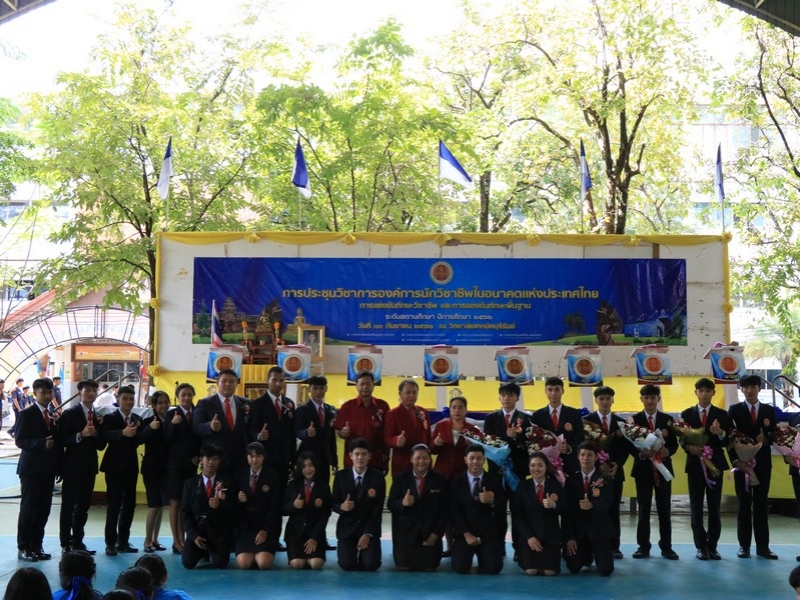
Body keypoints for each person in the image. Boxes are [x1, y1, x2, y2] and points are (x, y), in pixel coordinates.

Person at [679, 377, 731, 561]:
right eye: (700, 391)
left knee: (714, 507)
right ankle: (701, 546)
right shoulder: (686, 414)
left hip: (715, 465)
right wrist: (689, 447)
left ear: (713, 393)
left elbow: (729, 440)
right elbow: (682, 439)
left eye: (707, 391)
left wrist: (721, 433)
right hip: (695, 465)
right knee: (696, 506)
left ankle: (713, 546)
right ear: (695, 393)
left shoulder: (722, 415)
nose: (704, 394)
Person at [728, 373, 778, 559]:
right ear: (741, 389)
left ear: (759, 389)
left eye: (753, 387)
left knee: (761, 505)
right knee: (743, 506)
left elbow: (774, 435)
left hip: (763, 465)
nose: (750, 391)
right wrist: (736, 461)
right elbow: (729, 439)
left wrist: (766, 439)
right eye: (746, 387)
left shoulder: (768, 410)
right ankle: (744, 546)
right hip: (742, 465)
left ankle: (763, 547)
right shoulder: (734, 410)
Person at [629, 383, 679, 560]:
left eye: (653, 397)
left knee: (664, 508)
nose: (650, 401)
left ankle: (667, 547)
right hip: (643, 470)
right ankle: (643, 547)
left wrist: (668, 451)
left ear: (659, 399)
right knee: (643, 509)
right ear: (641, 399)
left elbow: (674, 444)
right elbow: (630, 446)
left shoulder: (668, 419)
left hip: (663, 469)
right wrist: (640, 454)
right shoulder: (633, 421)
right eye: (646, 397)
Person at [58, 378, 106, 554]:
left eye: (94, 390)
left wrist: (96, 433)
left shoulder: (98, 416)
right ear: (80, 393)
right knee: (68, 506)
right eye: (88, 390)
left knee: (83, 507)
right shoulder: (70, 414)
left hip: (89, 467)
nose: (91, 393)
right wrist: (81, 434)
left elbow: (101, 445)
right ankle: (65, 543)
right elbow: (61, 439)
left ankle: (78, 541)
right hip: (72, 467)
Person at [100, 385, 147, 556]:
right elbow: (104, 436)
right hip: (114, 467)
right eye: (125, 398)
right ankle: (110, 543)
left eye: (131, 399)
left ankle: (123, 541)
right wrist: (122, 432)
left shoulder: (137, 418)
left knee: (129, 505)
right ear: (118, 400)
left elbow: (138, 440)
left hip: (130, 466)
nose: (128, 402)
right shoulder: (110, 417)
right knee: (114, 505)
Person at [15, 376, 58, 562]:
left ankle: (36, 546)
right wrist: (41, 443)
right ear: (35, 393)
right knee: (29, 509)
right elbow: (20, 440)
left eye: (50, 392)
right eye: (43, 392)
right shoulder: (26, 414)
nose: (47, 395)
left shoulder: (52, 415)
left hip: (48, 469)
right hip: (31, 470)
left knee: (43, 510)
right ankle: (24, 548)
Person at [583, 385, 628, 559]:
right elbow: (583, 447)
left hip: (614, 473)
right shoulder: (586, 421)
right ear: (596, 401)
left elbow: (626, 448)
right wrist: (597, 465)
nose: (605, 402)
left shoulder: (621, 423)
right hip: (592, 473)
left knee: (614, 509)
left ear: (612, 400)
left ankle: (614, 547)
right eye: (601, 399)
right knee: (593, 509)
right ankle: (591, 546)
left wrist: (618, 464)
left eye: (608, 398)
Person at [387, 444, 447, 571]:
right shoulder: (400, 479)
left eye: (425, 458)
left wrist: (436, 534)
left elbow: (444, 510)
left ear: (430, 459)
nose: (421, 461)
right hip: (405, 535)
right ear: (411, 459)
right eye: (417, 458)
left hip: (429, 534)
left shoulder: (440, 479)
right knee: (404, 567)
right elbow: (391, 505)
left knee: (430, 567)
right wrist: (402, 503)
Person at [449, 443, 507, 575]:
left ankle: (485, 556)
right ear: (465, 459)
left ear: (484, 460)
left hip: (487, 533)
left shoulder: (495, 480)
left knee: (494, 568)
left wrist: (492, 501)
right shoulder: (456, 482)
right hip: (465, 533)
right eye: (472, 458)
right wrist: (466, 534)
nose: (475, 462)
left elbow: (502, 507)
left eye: (479, 458)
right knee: (460, 567)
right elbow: (454, 511)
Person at [331, 438, 386, 571]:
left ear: (369, 456)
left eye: (364, 454)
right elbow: (334, 503)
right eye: (357, 454)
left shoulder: (378, 478)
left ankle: (366, 555)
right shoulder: (341, 476)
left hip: (368, 528)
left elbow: (377, 510)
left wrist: (368, 534)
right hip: (347, 529)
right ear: (350, 455)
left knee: (371, 565)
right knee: (347, 565)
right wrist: (341, 507)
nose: (360, 458)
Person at [563, 442, 615, 576]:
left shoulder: (605, 478)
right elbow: (567, 511)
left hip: (599, 530)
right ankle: (586, 555)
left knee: (606, 571)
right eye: (583, 454)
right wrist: (569, 538)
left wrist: (592, 505)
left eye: (590, 455)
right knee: (573, 567)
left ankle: (596, 551)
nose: (586, 458)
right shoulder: (570, 479)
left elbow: (607, 502)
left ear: (596, 457)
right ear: (578, 456)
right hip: (578, 532)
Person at [180, 445, 234, 570]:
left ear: (219, 461)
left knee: (221, 564)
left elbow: (232, 510)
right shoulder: (190, 484)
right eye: (207, 458)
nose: (211, 462)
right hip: (198, 532)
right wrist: (194, 535)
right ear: (201, 460)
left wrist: (221, 504)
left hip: (218, 533)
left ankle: (212, 551)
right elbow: (185, 513)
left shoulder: (227, 483)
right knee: (188, 563)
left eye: (215, 459)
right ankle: (202, 552)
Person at [513, 452, 565, 576]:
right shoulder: (522, 487)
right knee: (531, 571)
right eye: (533, 465)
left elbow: (566, 510)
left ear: (546, 467)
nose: (536, 469)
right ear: (529, 467)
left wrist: (554, 505)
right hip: (530, 536)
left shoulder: (556, 486)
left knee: (550, 572)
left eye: (540, 465)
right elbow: (517, 516)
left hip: (550, 537)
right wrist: (529, 537)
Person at [193, 369, 249, 480]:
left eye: (231, 381)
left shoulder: (245, 402)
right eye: (224, 381)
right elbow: (196, 427)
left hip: (241, 458)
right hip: (217, 459)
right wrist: (209, 426)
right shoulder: (205, 403)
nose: (227, 384)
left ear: (236, 384)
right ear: (217, 383)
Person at [164, 383, 200, 554]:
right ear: (177, 397)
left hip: (192, 466)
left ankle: (186, 539)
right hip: (175, 466)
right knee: (175, 502)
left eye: (189, 394)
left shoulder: (198, 413)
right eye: (183, 395)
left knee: (187, 503)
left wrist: (199, 455)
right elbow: (165, 439)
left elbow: (201, 436)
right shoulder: (172, 414)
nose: (186, 398)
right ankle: (176, 540)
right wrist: (172, 424)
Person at [234, 442, 281, 570]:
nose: (254, 460)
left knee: (263, 563)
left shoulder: (272, 476)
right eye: (251, 456)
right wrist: (238, 499)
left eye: (258, 456)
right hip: (245, 529)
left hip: (265, 528)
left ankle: (259, 554)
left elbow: (275, 506)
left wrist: (265, 530)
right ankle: (251, 555)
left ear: (263, 457)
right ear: (247, 457)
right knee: (244, 564)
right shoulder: (239, 475)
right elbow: (231, 502)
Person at [247, 366, 296, 488]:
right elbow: (251, 429)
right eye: (274, 380)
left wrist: (293, 457)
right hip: (265, 457)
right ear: (267, 381)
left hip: (284, 457)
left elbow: (292, 432)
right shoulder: (257, 404)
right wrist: (259, 436)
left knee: (282, 489)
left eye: (281, 380)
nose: (278, 384)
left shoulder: (289, 403)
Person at [283, 451, 332, 570]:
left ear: (315, 466)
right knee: (297, 564)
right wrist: (294, 505)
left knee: (316, 564)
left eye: (310, 465)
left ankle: (311, 554)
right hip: (295, 534)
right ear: (300, 468)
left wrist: (314, 537)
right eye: (304, 466)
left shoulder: (323, 486)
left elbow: (326, 514)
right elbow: (283, 510)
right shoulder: (292, 485)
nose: (308, 469)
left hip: (315, 533)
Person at [335, 371, 390, 472]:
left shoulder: (383, 406)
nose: (365, 387)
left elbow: (387, 433)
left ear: (373, 385)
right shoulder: (347, 407)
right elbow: (340, 433)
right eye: (362, 384)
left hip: (376, 460)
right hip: (353, 461)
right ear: (356, 386)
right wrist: (343, 433)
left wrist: (386, 459)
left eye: (368, 384)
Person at [531, 376, 585, 475]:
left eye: (557, 389)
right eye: (550, 390)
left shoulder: (573, 413)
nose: (553, 393)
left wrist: (569, 448)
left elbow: (580, 437)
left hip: (570, 464)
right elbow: (533, 440)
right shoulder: (537, 416)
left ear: (562, 391)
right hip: (546, 465)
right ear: (545, 391)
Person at [142, 391, 171, 553]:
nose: (163, 405)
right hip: (151, 469)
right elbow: (138, 439)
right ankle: (147, 541)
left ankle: (155, 539)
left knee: (160, 505)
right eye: (160, 403)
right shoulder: (148, 421)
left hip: (166, 469)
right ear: (153, 405)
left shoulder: (172, 420)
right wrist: (150, 429)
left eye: (166, 402)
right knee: (154, 505)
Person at [384, 379, 431, 477]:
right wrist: (396, 440)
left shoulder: (423, 412)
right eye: (408, 392)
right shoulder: (392, 414)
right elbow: (387, 438)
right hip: (403, 463)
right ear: (400, 394)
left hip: (423, 464)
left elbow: (428, 437)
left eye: (414, 393)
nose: (411, 395)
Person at [294, 375, 338, 476]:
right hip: (307, 459)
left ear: (326, 389)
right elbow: (297, 431)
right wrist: (306, 433)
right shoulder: (302, 410)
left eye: (321, 388)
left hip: (324, 460)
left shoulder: (330, 410)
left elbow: (331, 438)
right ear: (309, 389)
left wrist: (334, 461)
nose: (318, 391)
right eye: (315, 388)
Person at [431, 395, 481, 481]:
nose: (457, 410)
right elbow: (432, 450)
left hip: (462, 473)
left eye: (460, 407)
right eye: (454, 407)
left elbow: (477, 451)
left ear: (465, 410)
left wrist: (470, 445)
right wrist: (436, 444)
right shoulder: (441, 426)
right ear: (450, 410)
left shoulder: (472, 429)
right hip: (442, 472)